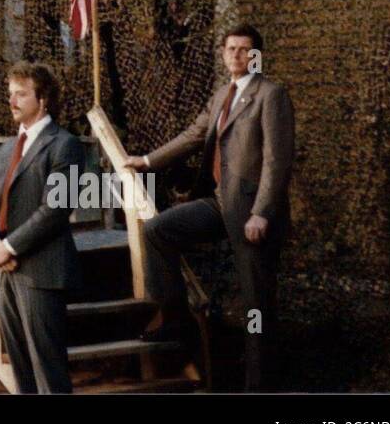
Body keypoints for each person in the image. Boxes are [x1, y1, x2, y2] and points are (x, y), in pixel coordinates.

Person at [125, 23, 294, 391]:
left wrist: (262, 212)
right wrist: (147, 161)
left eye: (244, 49)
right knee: (157, 230)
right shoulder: (222, 96)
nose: (236, 55)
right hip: (220, 202)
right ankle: (174, 318)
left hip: (252, 212)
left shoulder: (271, 95)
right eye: (230, 49)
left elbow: (277, 161)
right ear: (223, 53)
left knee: (256, 306)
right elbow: (194, 134)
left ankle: (258, 387)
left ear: (257, 55)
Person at [0, 62, 85, 394]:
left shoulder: (65, 145)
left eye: (21, 94)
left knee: (49, 373)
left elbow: (57, 209)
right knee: (21, 375)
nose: (12, 101)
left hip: (43, 274)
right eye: (10, 94)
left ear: (43, 99)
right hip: (6, 274)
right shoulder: (8, 148)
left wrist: (9, 248)